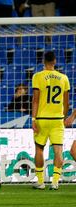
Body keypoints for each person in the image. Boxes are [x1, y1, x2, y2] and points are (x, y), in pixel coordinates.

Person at [32, 51, 70, 190]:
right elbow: (67, 103)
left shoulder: (37, 76)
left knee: (39, 149)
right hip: (57, 119)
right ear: (54, 61)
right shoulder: (64, 78)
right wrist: (64, 117)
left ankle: (41, 181)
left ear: (43, 61)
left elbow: (35, 100)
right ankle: (55, 182)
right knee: (58, 151)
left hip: (42, 118)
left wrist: (33, 118)